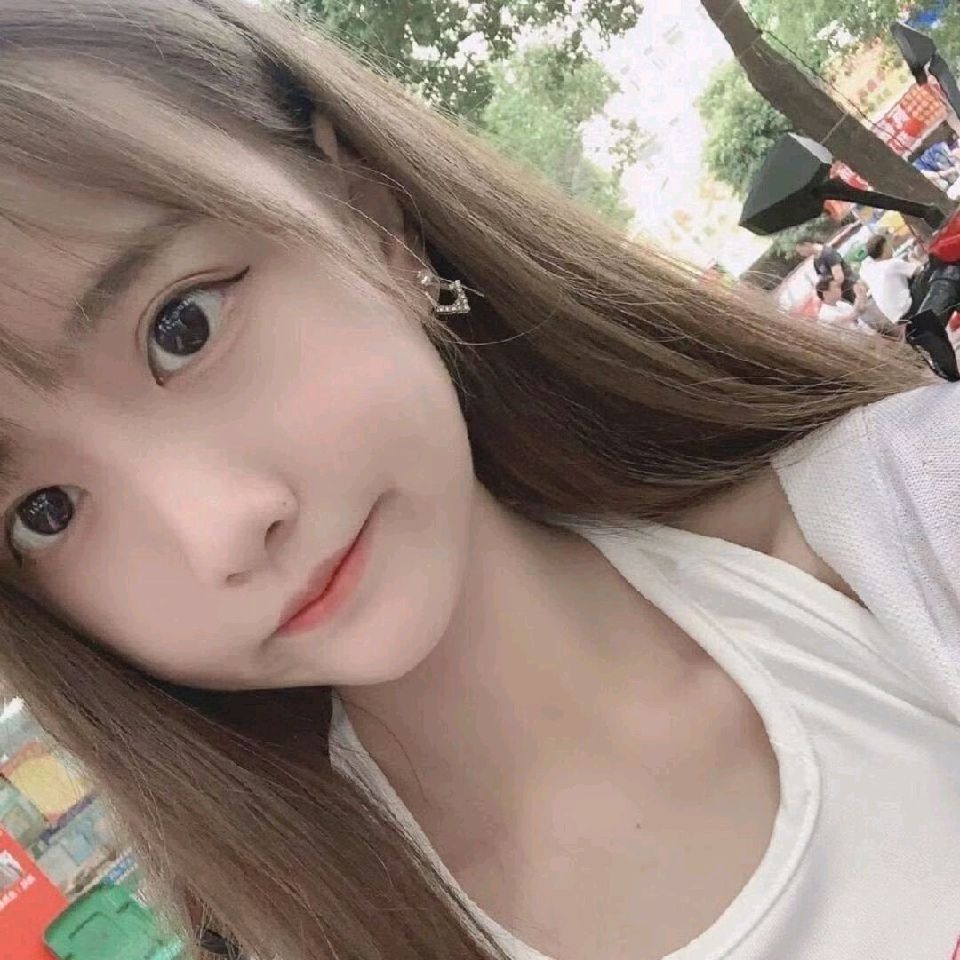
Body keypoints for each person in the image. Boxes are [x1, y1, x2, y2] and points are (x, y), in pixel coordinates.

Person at [0, 4, 957, 960]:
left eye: (184, 327)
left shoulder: (902, 526)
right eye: (44, 512)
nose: (218, 531)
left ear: (372, 220)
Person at [858, 233, 922, 327]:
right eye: (888, 245)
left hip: (895, 319)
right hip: (908, 309)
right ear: (884, 249)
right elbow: (920, 270)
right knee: (924, 276)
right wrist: (913, 258)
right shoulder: (893, 264)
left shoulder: (868, 269)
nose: (890, 247)